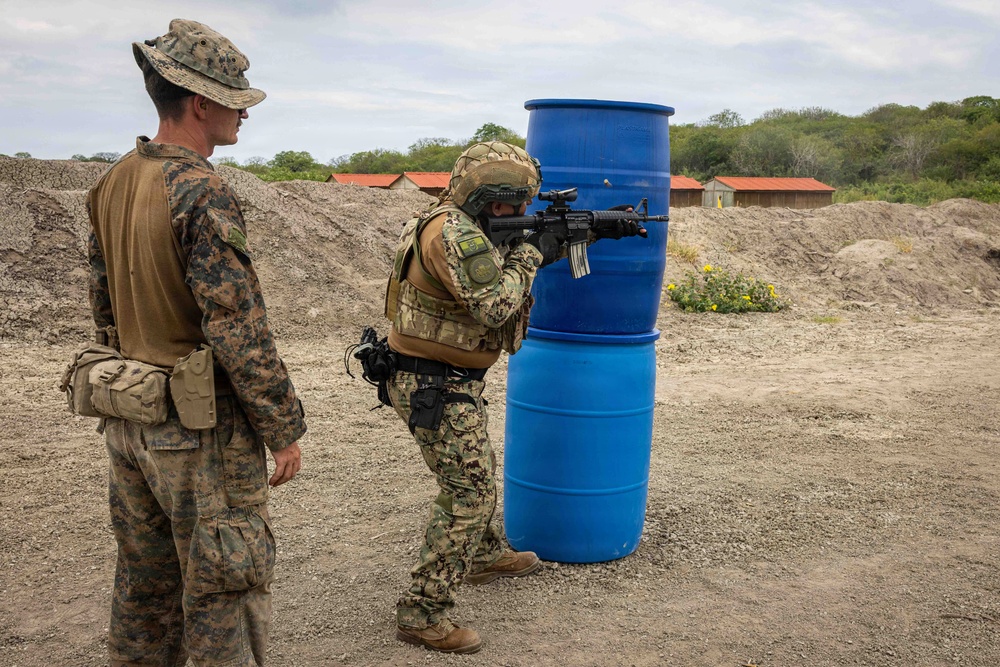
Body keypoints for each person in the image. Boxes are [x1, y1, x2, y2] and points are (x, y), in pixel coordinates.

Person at [85, 19, 305, 666]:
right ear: (199, 103)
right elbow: (235, 323)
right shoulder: (200, 189)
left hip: (132, 415)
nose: (243, 114)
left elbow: (104, 309)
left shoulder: (115, 179)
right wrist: (281, 426)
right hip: (197, 431)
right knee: (223, 587)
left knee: (145, 587)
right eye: (234, 101)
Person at [382, 141, 641, 654]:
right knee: (469, 491)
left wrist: (577, 234)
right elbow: (496, 306)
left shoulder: (455, 222)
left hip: (444, 376)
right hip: (431, 380)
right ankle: (422, 612)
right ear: (487, 200)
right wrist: (529, 253)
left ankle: (480, 554)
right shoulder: (453, 233)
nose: (522, 213)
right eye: (514, 205)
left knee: (478, 465)